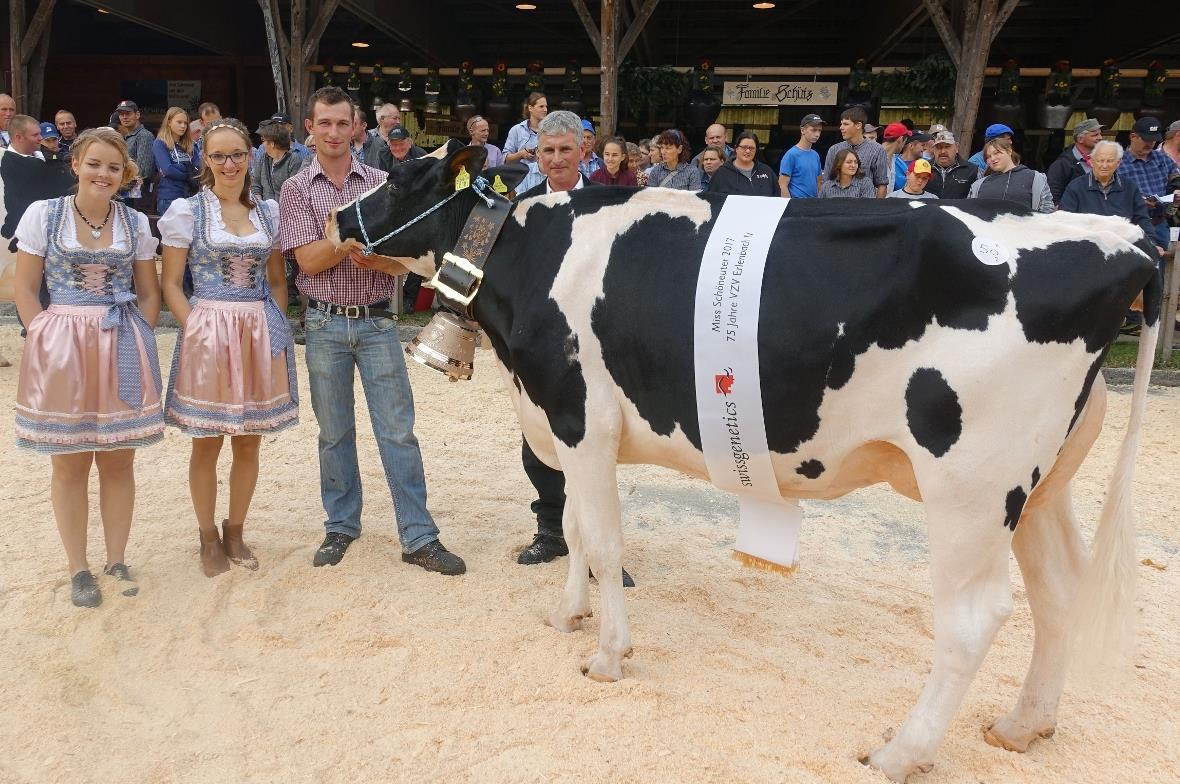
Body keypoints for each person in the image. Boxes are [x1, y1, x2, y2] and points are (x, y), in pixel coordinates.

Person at [279, 85, 465, 575]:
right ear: (310, 129)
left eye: (343, 123)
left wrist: (366, 251)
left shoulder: (384, 180)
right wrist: (346, 243)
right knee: (334, 432)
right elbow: (308, 261)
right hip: (323, 321)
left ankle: (419, 535)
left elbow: (401, 265)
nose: (335, 132)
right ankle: (341, 525)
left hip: (379, 321)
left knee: (398, 432)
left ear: (356, 128)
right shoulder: (297, 188)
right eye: (325, 123)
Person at [12, 126, 163, 607]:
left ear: (125, 175)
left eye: (114, 167)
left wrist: (141, 329)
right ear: (76, 165)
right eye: (95, 164)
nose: (103, 173)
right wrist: (42, 337)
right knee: (70, 463)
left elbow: (148, 289)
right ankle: (78, 567)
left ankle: (116, 558)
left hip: (119, 337)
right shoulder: (44, 215)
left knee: (119, 459)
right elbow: (24, 287)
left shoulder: (134, 224)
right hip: (63, 347)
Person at [159, 118, 297, 578]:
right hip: (207, 329)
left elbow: (277, 281)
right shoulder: (187, 212)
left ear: (251, 156)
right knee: (206, 443)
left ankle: (236, 529)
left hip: (257, 329)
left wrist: (272, 327)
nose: (229, 163)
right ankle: (206, 535)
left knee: (249, 442)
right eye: (218, 155)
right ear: (205, 159)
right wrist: (197, 328)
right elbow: (172, 284)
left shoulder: (268, 213)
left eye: (237, 154)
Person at [513, 110, 633, 587]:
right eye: (548, 151)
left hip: (601, 343)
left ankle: (603, 553)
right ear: (537, 154)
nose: (557, 159)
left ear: (584, 149)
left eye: (566, 149)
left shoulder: (612, 202)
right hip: (539, 346)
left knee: (596, 449)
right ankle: (550, 530)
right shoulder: (520, 209)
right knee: (538, 443)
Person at [1059, 140, 1158, 250]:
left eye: (1110, 161)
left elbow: (1142, 219)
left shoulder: (1130, 187)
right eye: (1100, 160)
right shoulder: (1076, 187)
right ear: (1091, 161)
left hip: (1123, 247)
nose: (1104, 165)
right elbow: (1065, 221)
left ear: (1118, 162)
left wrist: (1151, 243)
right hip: (1086, 247)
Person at [1119, 116, 1179, 249]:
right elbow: (1109, 194)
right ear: (1133, 136)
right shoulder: (1117, 163)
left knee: (1165, 264)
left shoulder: (1162, 159)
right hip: (1131, 226)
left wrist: (1176, 190)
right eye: (1146, 139)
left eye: (1154, 140)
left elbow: (1176, 178)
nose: (1150, 143)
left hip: (1159, 223)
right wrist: (1137, 200)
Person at [967, 137, 1054, 212]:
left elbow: (1046, 212)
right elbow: (970, 213)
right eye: (988, 157)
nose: (993, 158)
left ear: (1009, 151)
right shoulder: (978, 185)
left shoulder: (1036, 178)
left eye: (997, 153)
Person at [823, 107, 889, 198]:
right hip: (835, 206)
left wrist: (876, 210)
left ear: (858, 125)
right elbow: (826, 181)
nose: (841, 127)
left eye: (846, 124)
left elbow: (882, 184)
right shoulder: (834, 149)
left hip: (863, 207)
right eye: (841, 124)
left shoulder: (877, 150)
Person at [153, 107, 199, 217]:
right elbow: (168, 170)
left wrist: (179, 167)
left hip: (191, 196)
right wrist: (189, 170)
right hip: (169, 197)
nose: (183, 126)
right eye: (179, 122)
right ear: (169, 122)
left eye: (185, 123)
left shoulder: (191, 144)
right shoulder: (160, 143)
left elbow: (198, 168)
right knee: (172, 234)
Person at [1046, 118, 1104, 204]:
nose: (1100, 138)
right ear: (1080, 139)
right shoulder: (1062, 164)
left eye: (1100, 134)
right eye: (1095, 135)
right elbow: (1053, 194)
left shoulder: (1104, 160)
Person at [114, 100, 156, 209]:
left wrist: (120, 182)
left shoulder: (144, 136)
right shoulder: (125, 136)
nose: (124, 117)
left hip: (137, 195)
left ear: (137, 115)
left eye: (128, 114)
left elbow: (144, 171)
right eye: (121, 114)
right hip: (125, 192)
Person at [250, 121, 307, 202]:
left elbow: (294, 191)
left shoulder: (294, 160)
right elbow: (256, 185)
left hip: (287, 210)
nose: (262, 144)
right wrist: (261, 205)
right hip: (265, 210)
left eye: (264, 141)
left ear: (272, 143)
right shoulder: (263, 158)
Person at [707, 131, 776, 196]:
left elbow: (777, 199)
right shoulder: (722, 173)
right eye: (744, 147)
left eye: (752, 148)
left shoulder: (767, 171)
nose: (748, 151)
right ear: (736, 148)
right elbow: (712, 201)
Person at [778, 113, 823, 198]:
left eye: (819, 130)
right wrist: (789, 207)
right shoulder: (791, 155)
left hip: (813, 205)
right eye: (813, 130)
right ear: (802, 130)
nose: (817, 134)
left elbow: (819, 182)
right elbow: (782, 185)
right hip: (797, 204)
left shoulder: (815, 155)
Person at [926, 130, 978, 199]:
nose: (943, 151)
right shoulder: (924, 167)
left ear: (957, 148)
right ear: (934, 149)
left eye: (947, 147)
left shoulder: (972, 170)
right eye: (939, 147)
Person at [503, 91, 547, 164]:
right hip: (522, 173)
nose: (545, 110)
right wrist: (520, 154)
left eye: (546, 106)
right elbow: (505, 159)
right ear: (530, 108)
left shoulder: (551, 130)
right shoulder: (516, 130)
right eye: (541, 106)